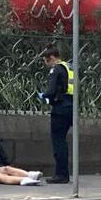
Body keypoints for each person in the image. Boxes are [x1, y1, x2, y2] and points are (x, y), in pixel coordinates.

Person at [38, 44, 73, 184]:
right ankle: (64, 174)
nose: (47, 64)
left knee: (58, 142)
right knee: (63, 141)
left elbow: (51, 91)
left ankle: (61, 175)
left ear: (52, 58)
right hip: (70, 107)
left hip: (59, 109)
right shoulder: (69, 67)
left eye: (46, 61)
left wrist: (43, 95)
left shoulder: (56, 69)